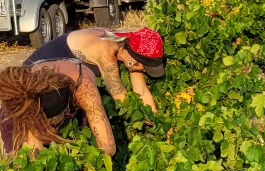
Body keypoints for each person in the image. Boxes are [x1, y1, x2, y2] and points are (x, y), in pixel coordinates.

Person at [25, 27, 166, 112]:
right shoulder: (106, 52)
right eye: (145, 67)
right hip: (36, 71)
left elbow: (141, 91)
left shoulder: (130, 44)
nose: (144, 70)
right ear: (133, 60)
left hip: (65, 72)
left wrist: (155, 119)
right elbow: (120, 98)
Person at [0, 64, 116, 157]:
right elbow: (33, 154)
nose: (54, 128)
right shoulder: (26, 99)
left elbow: (108, 146)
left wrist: (81, 160)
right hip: (27, 101)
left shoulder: (84, 91)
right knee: (21, 150)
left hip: (75, 80)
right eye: (48, 125)